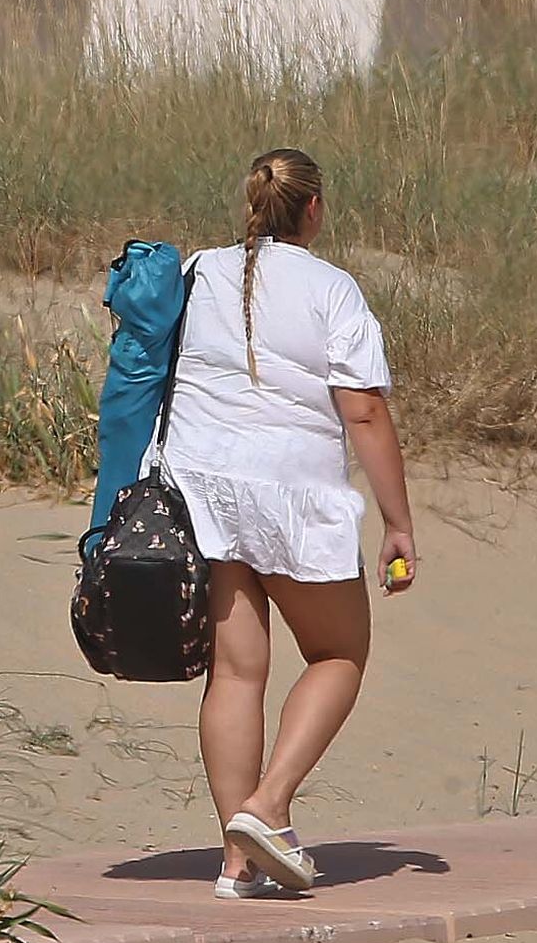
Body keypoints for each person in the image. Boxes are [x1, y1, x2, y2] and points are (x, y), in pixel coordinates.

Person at [158, 147, 416, 898]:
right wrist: (398, 524)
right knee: (339, 652)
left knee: (237, 671)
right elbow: (362, 409)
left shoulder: (198, 271)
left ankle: (237, 866)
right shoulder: (332, 289)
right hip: (292, 494)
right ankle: (267, 808)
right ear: (313, 209)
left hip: (200, 488)